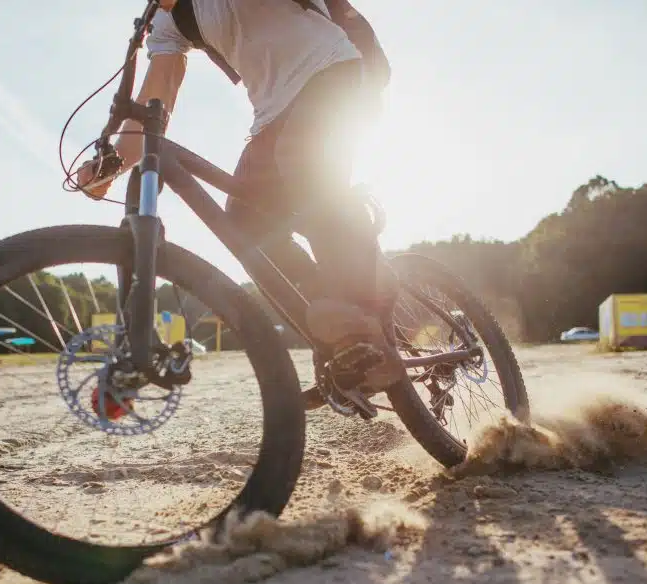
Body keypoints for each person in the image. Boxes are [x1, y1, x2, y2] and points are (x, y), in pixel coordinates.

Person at [75, 0, 402, 409]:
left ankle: (364, 327)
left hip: (334, 71)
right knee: (244, 226)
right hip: (270, 116)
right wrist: (112, 165)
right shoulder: (169, 19)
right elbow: (156, 99)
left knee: (302, 164)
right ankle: (340, 333)